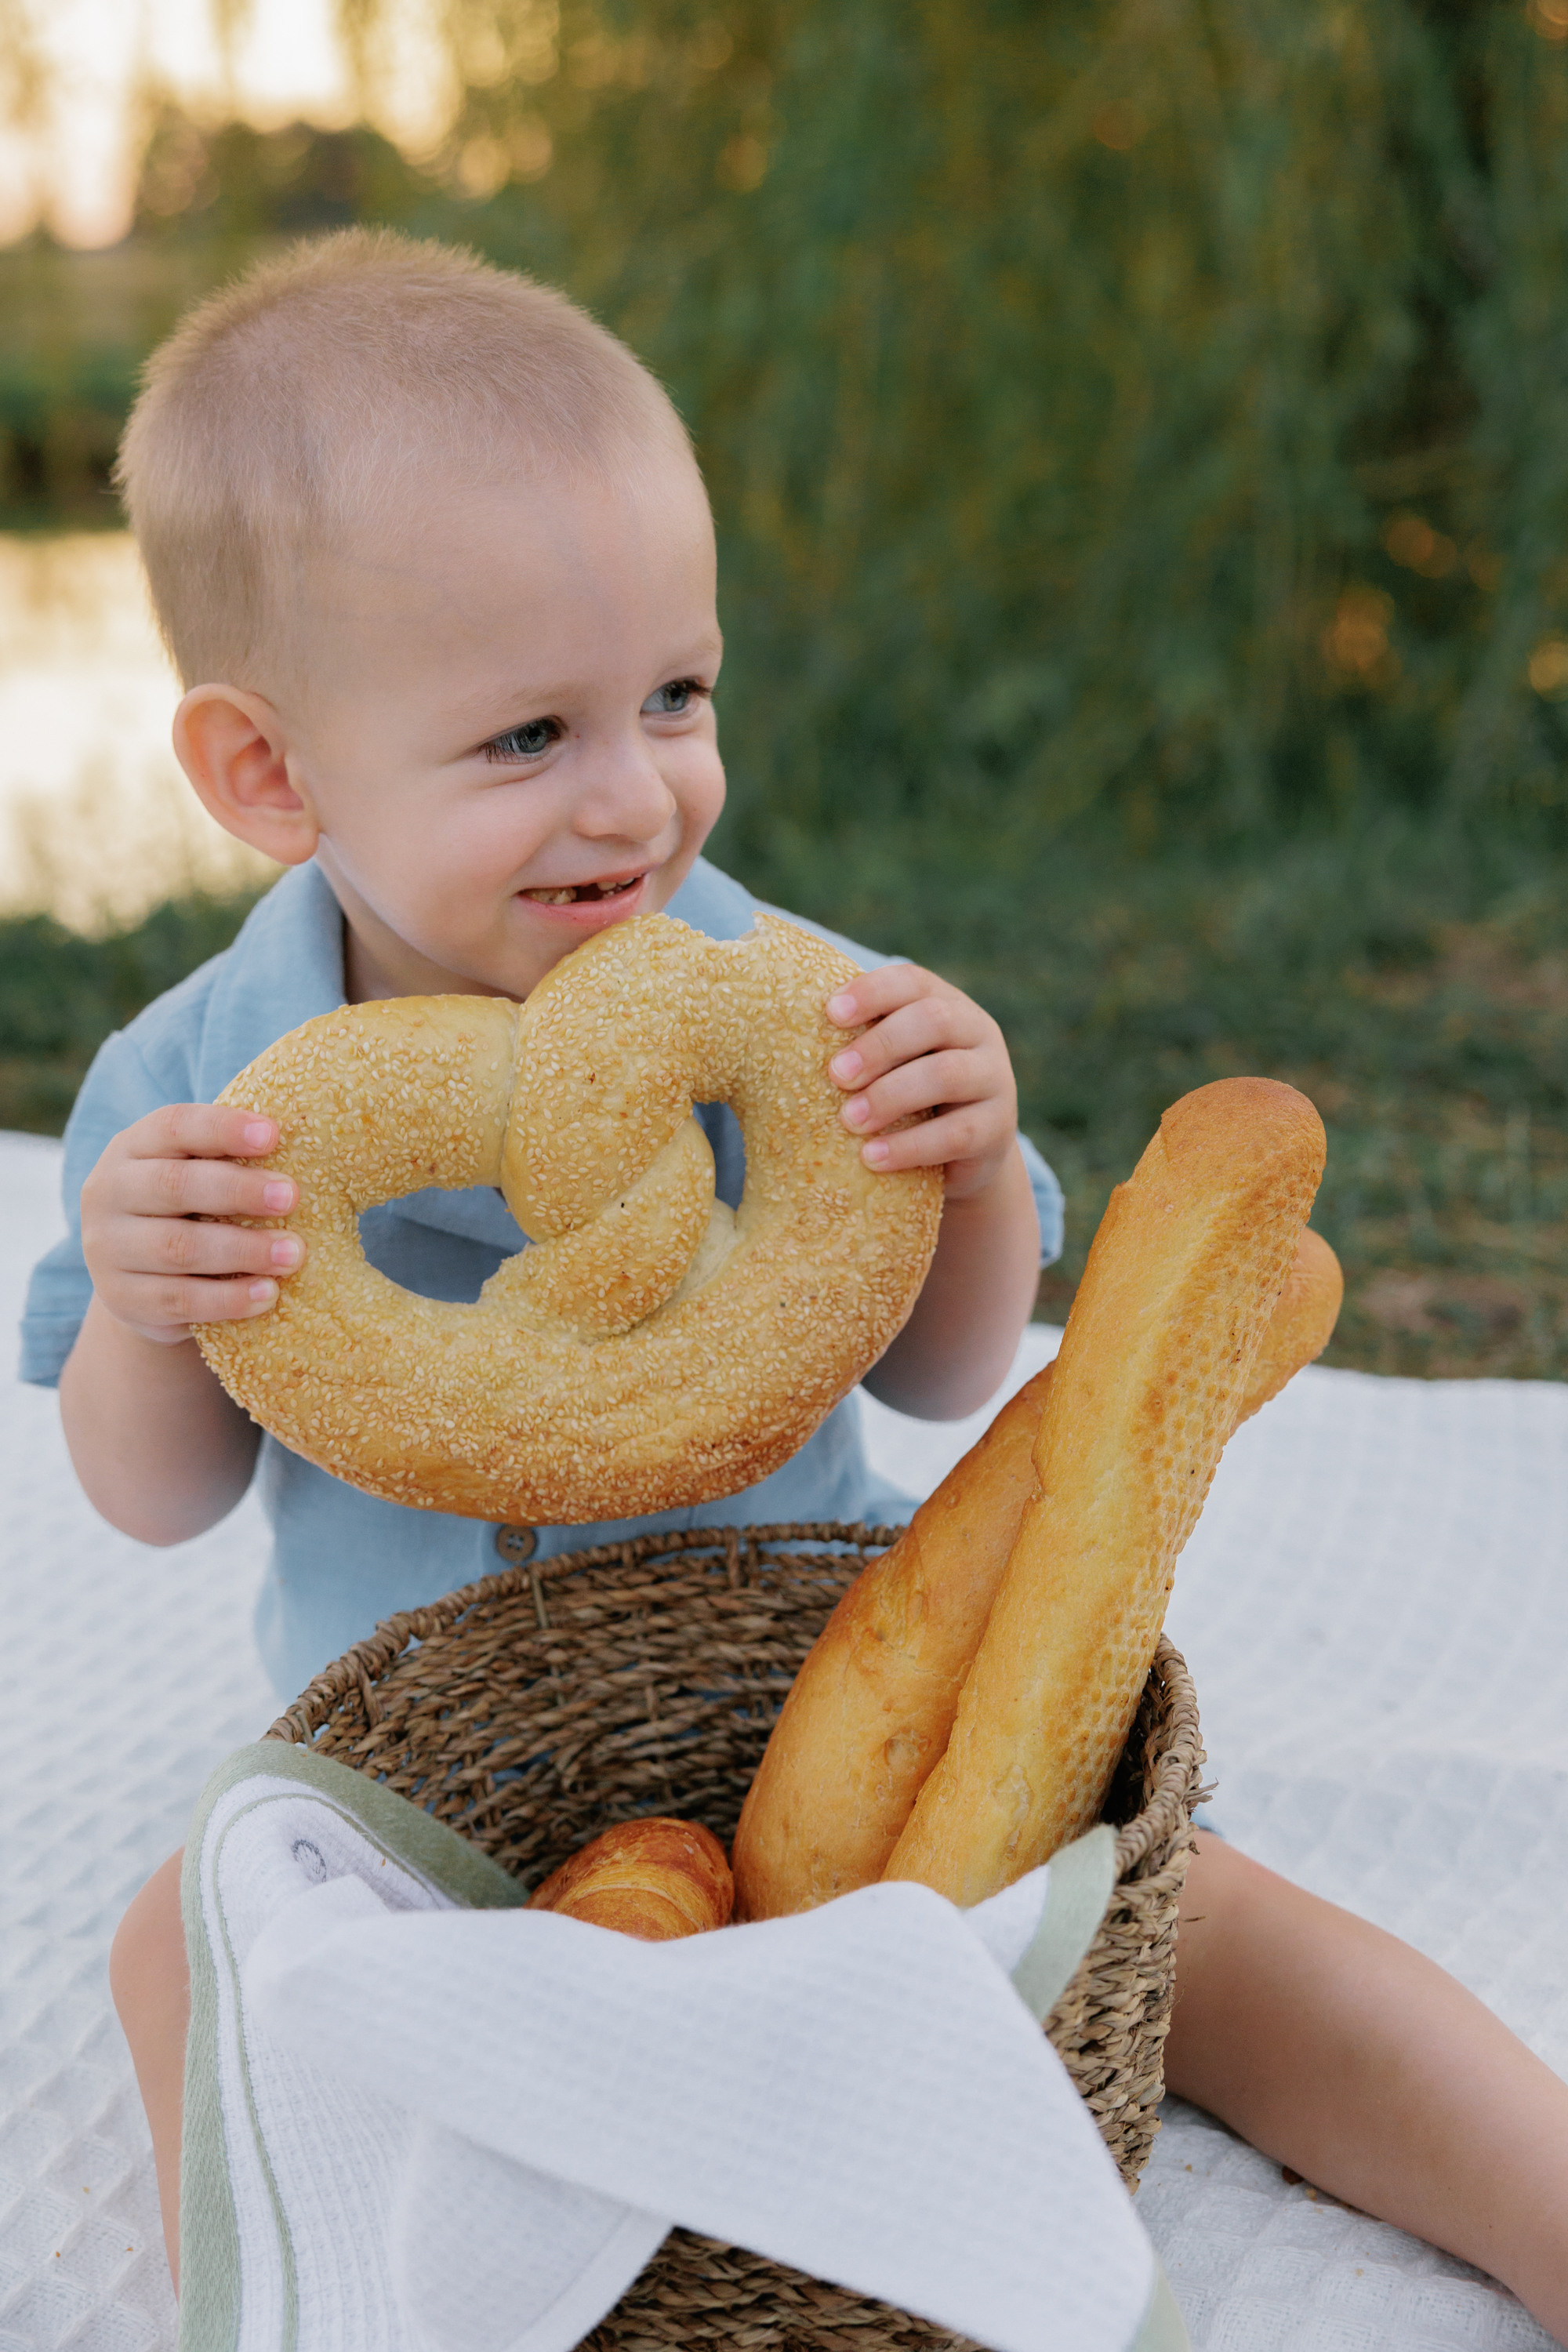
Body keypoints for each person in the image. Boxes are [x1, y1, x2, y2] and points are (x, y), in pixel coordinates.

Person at [24, 234, 1568, 2333]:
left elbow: (952, 1376)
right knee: (170, 1944)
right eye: (528, 736)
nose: (637, 791)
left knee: (1195, 1919)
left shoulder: (799, 1016)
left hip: (833, 1716)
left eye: (678, 695)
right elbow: (150, 1495)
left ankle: (1543, 2198)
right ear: (269, 777)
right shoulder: (197, 1096)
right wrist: (147, 1305)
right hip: (438, 1799)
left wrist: (968, 1167)